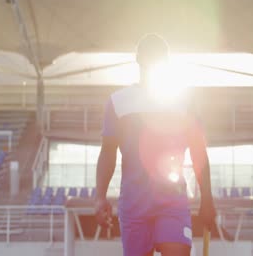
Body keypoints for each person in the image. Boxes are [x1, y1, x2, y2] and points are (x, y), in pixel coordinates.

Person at [75, 34, 216, 256]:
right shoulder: (118, 101)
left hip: (173, 202)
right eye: (150, 57)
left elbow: (199, 152)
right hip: (134, 206)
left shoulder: (184, 101)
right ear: (138, 59)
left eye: (158, 58)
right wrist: (100, 197)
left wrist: (207, 199)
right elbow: (108, 153)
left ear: (166, 62)